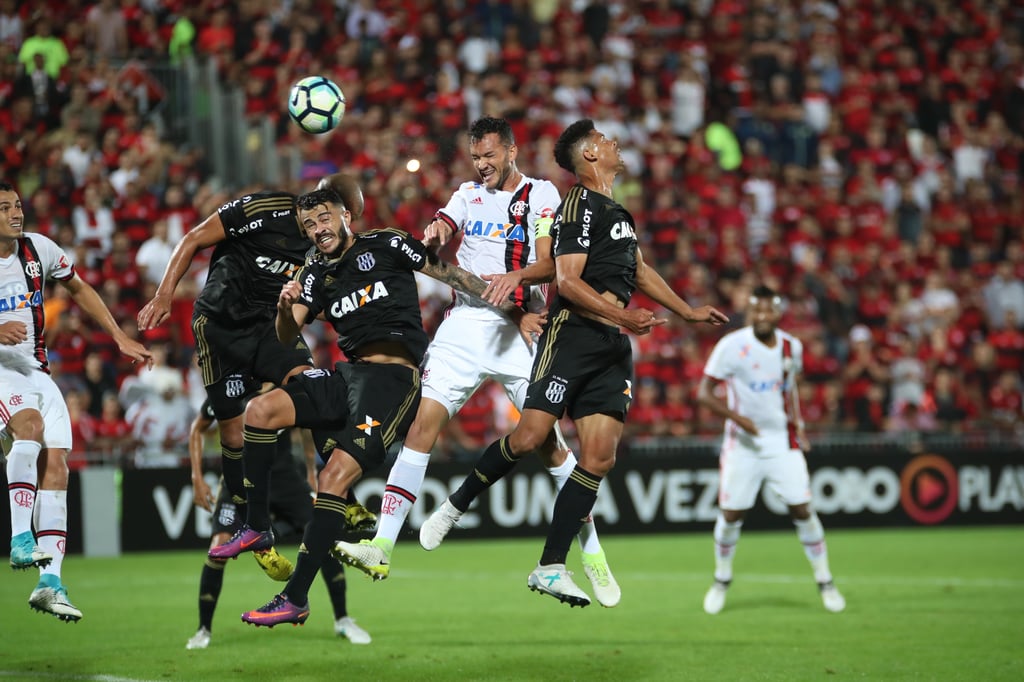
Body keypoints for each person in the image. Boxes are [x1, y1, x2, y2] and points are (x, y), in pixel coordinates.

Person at [419, 119, 728, 607]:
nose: (615, 143)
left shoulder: (616, 210)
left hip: (610, 347)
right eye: (606, 141)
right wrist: (624, 315)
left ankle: (550, 566)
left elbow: (640, 270)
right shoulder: (578, 206)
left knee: (599, 459)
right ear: (589, 156)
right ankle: (457, 504)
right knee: (529, 438)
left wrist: (686, 311)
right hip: (570, 337)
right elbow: (567, 281)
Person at [332, 116, 619, 606]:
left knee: (548, 445)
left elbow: (551, 263)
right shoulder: (467, 193)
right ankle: (381, 545)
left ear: (509, 150)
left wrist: (526, 300)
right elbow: (444, 222)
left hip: (519, 329)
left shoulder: (542, 195)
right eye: (475, 157)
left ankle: (590, 553)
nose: (482, 165)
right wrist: (436, 230)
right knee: (422, 425)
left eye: (489, 155)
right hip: (465, 325)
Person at [207, 185, 517, 627]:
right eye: (309, 225)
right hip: (347, 375)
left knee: (332, 477)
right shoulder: (314, 274)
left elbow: (454, 277)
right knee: (259, 412)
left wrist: (515, 311)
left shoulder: (388, 243)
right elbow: (283, 334)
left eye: (325, 218)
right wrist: (283, 306)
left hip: (393, 381)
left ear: (346, 216)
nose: (318, 230)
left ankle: (295, 597)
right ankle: (258, 526)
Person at [137, 174, 364, 563]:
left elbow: (319, 301)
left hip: (270, 326)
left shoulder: (324, 247)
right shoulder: (261, 210)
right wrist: (164, 295)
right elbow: (193, 238)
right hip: (220, 326)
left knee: (313, 388)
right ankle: (251, 526)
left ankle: (350, 499)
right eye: (343, 217)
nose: (338, 228)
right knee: (231, 433)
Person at [0, 181, 153, 621]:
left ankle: (50, 583)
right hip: (2, 371)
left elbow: (80, 288)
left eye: (18, 205)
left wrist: (119, 336)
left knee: (58, 465)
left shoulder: (38, 250)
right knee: (29, 427)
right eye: (5, 207)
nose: (16, 213)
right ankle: (18, 539)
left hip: (36, 372)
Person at [696, 285, 845, 614]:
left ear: (778, 313)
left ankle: (825, 581)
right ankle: (721, 579)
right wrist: (740, 420)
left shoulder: (793, 347)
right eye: (757, 311)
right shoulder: (731, 346)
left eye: (769, 311)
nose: (763, 316)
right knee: (732, 514)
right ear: (749, 313)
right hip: (742, 443)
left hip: (781, 440)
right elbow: (704, 394)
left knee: (802, 508)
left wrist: (800, 426)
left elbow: (790, 391)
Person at [186, 389, 371, 649]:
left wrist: (310, 471)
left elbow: (307, 425)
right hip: (238, 481)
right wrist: (196, 479)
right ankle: (203, 630)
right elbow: (198, 428)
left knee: (324, 538)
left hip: (283, 477)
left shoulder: (284, 387)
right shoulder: (230, 389)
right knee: (217, 549)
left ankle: (342, 619)